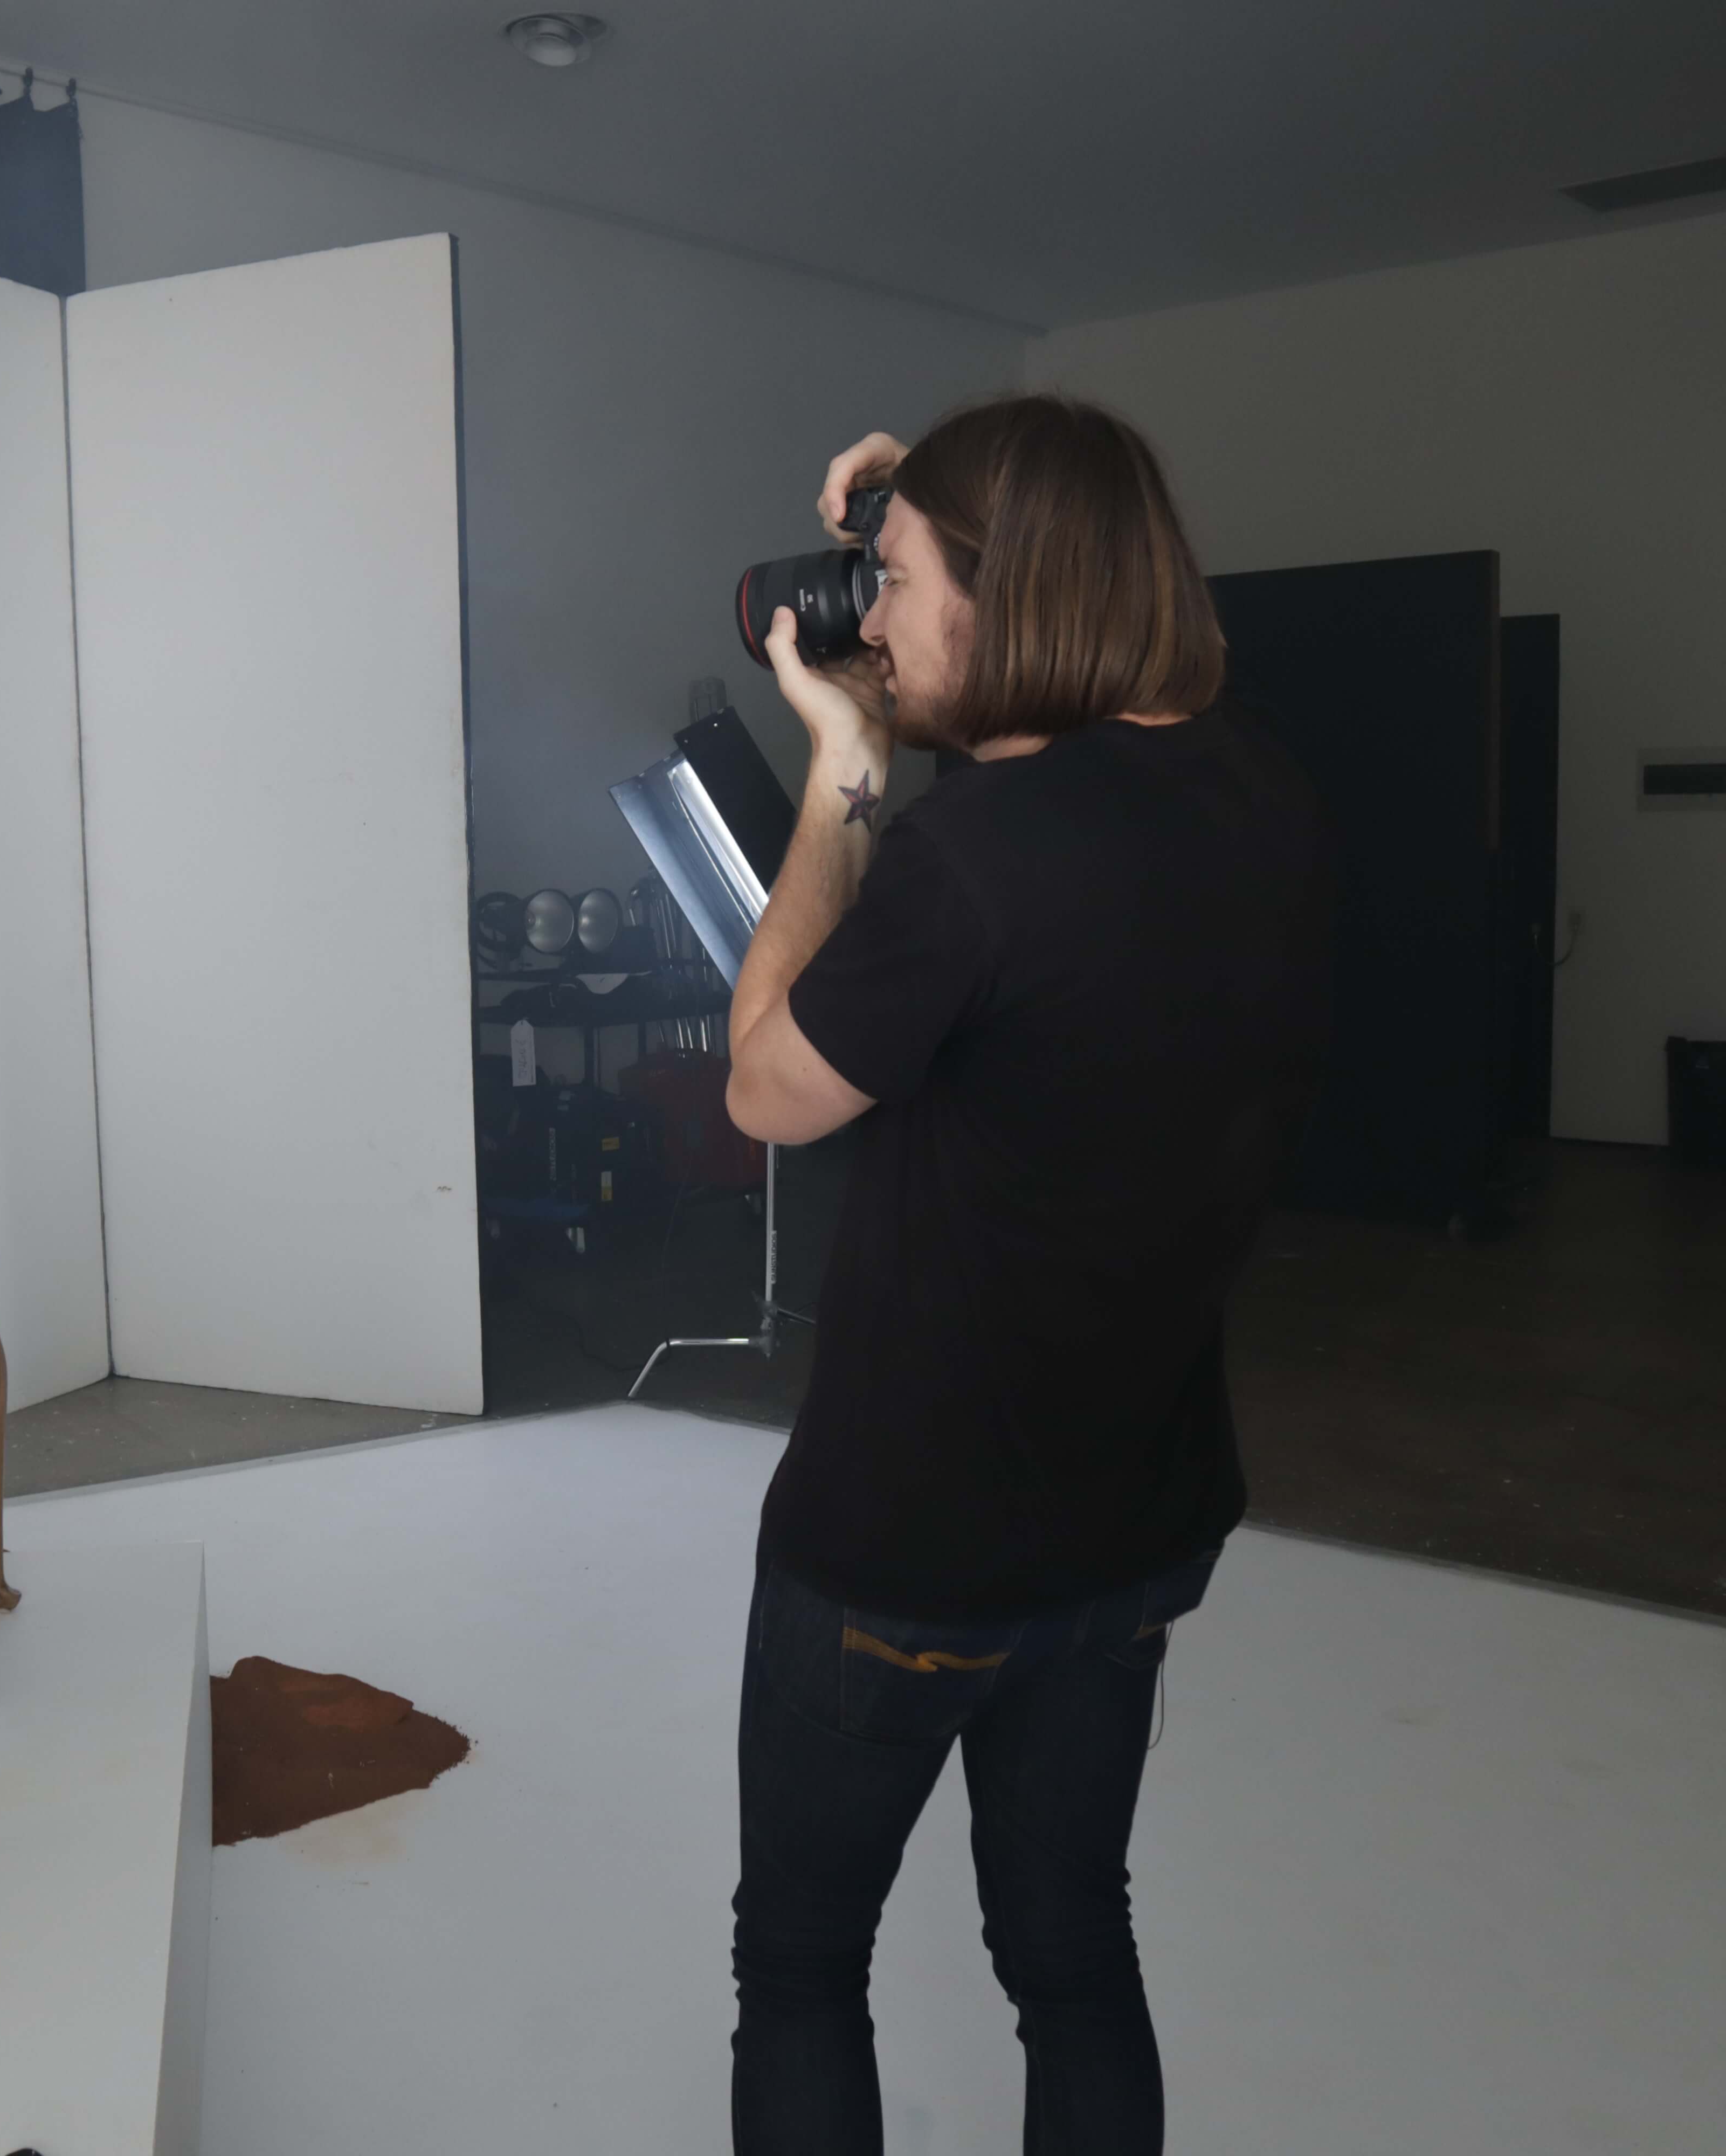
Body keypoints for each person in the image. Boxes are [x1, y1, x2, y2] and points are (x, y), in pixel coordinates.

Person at [720, 395, 1337, 2154]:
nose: (878, 622)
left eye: (900, 581)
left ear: (1008, 592)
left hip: (906, 1546)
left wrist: (843, 769)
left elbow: (767, 1089)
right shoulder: (1259, 788)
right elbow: (1112, 631)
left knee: (802, 1964)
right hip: (1137, 1525)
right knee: (1071, 1951)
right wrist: (943, 490)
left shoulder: (974, 860)